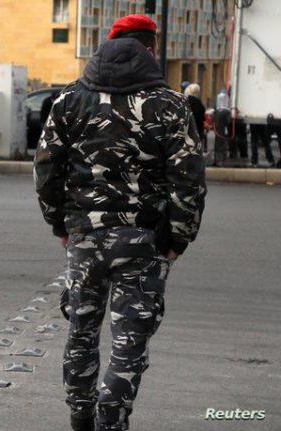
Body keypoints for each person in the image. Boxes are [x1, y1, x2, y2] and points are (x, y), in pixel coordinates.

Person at [34, 14, 207, 431]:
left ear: (107, 45)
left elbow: (46, 169)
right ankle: (112, 417)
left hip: (85, 235)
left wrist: (60, 225)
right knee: (130, 340)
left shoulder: (69, 99)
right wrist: (179, 238)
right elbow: (188, 178)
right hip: (144, 239)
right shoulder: (171, 104)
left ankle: (81, 414)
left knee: (81, 329)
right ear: (151, 48)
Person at [183, 83, 206, 150]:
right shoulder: (197, 102)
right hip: (196, 129)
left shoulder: (184, 100)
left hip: (185, 128)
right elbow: (200, 117)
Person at [213, 88, 231, 166]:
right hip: (223, 131)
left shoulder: (216, 111)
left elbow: (214, 119)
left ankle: (217, 159)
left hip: (218, 131)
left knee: (218, 144)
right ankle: (221, 160)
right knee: (223, 144)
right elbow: (228, 121)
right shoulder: (227, 112)